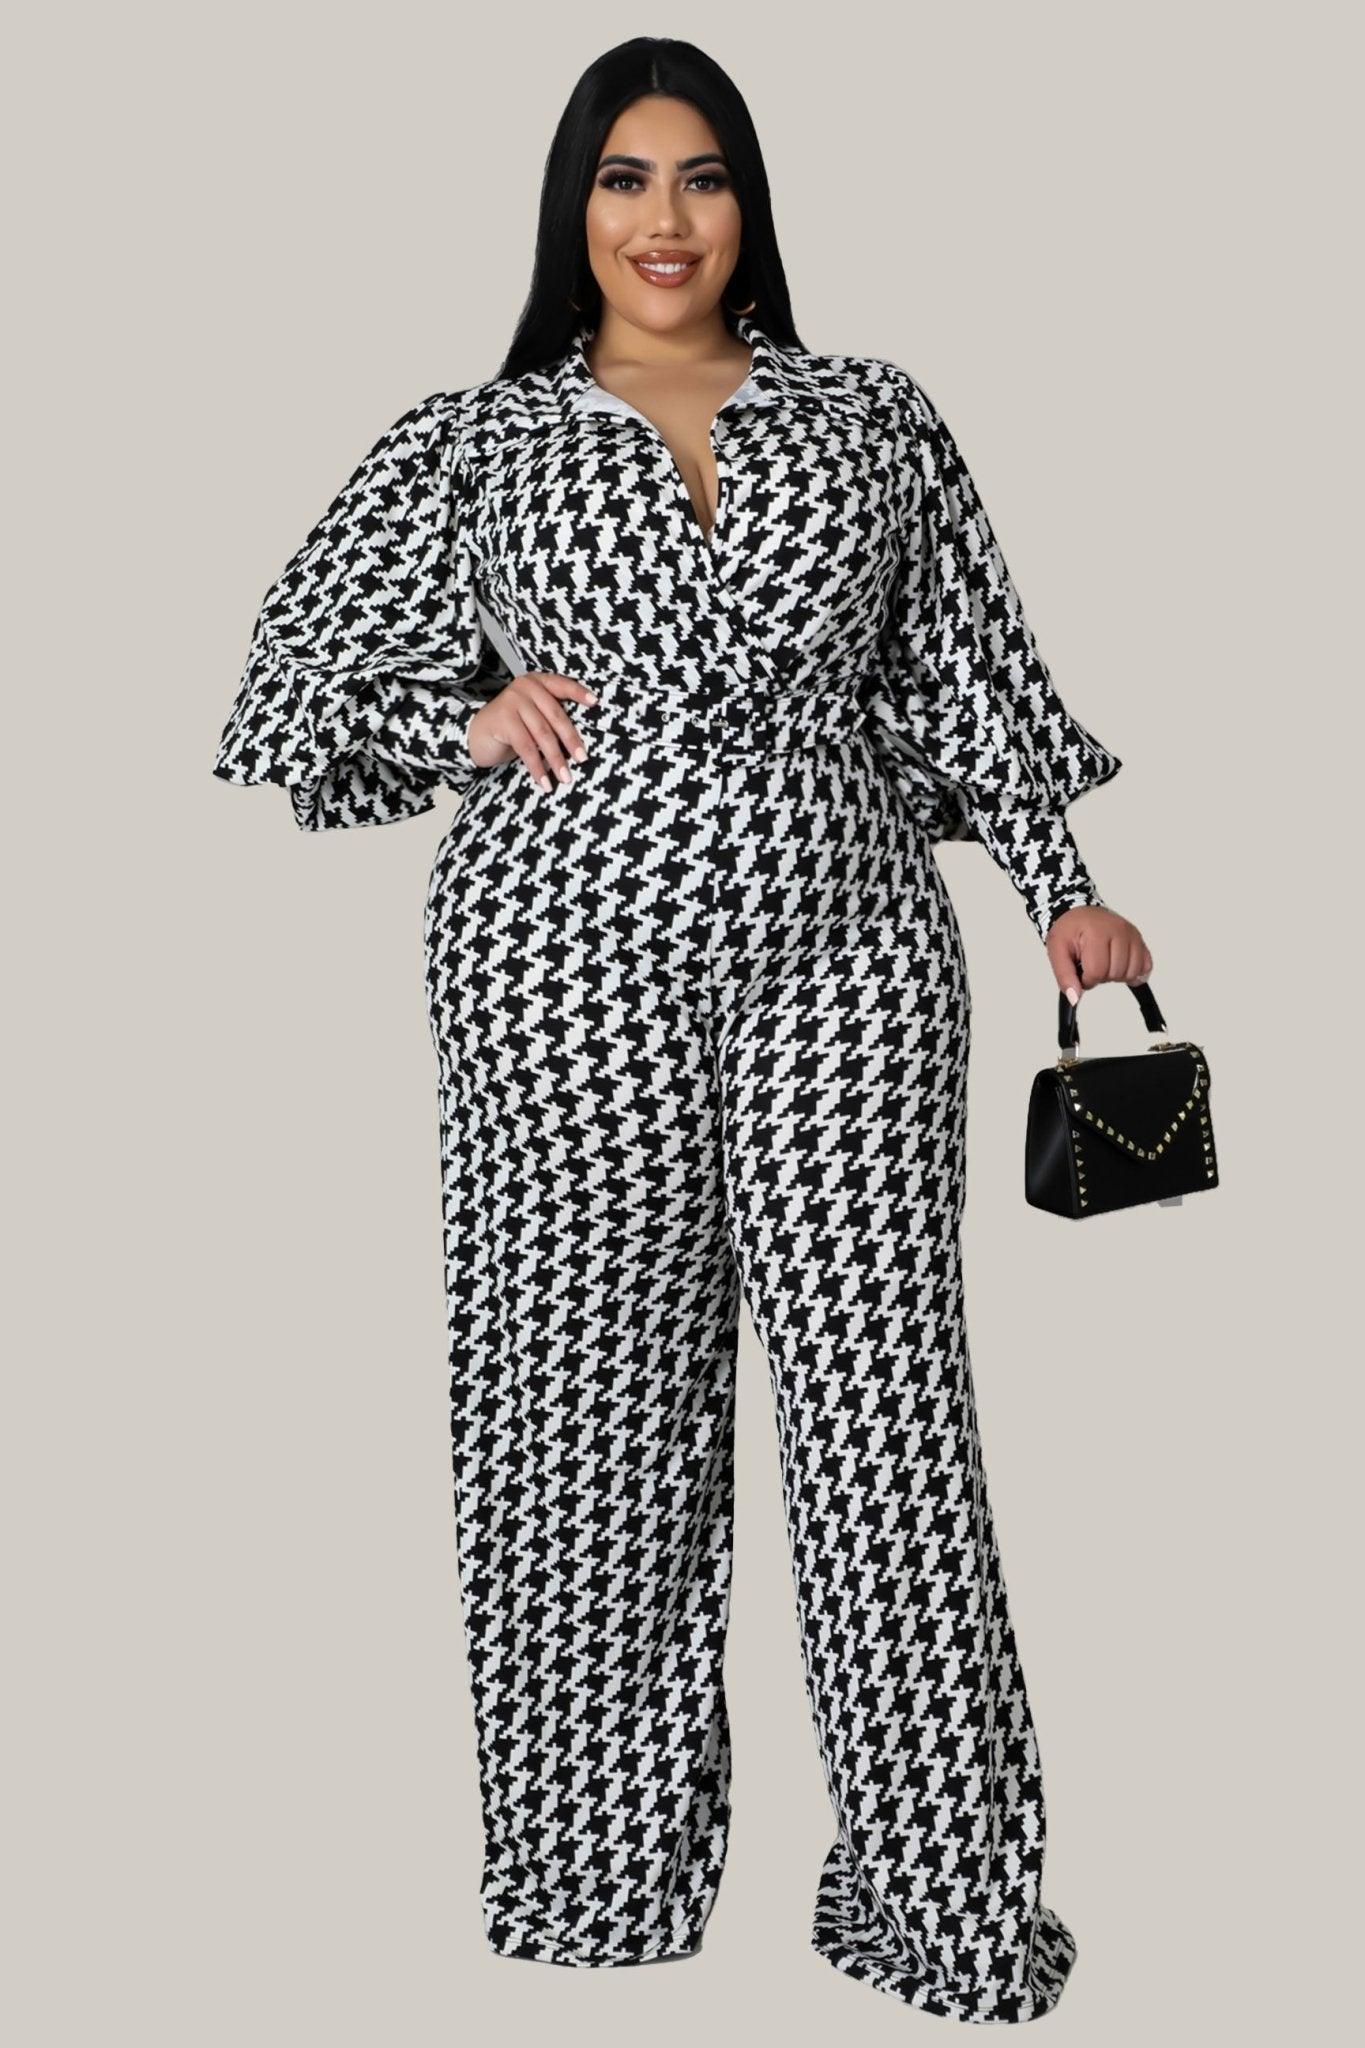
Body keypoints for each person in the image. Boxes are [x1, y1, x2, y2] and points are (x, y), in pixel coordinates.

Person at [211, 35, 1152, 2025]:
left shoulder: (872, 416)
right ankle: (597, 1886)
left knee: (885, 1419)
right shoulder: (473, 440)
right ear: (574, 209)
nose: (665, 219)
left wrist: (1061, 889)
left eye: (702, 178)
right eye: (625, 179)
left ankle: (943, 1900)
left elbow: (972, 672)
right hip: (557, 965)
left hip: (850, 953)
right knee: (586, 1422)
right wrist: (457, 713)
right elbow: (286, 684)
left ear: (748, 207)